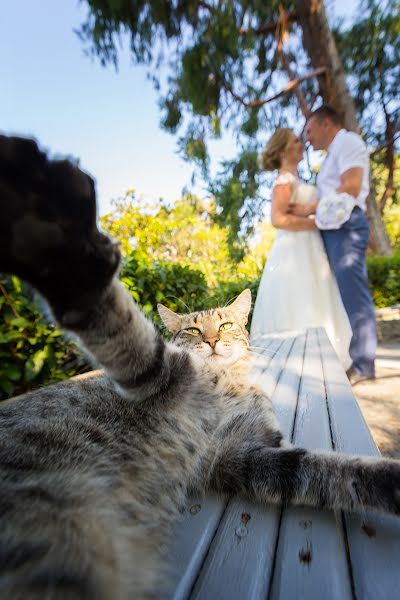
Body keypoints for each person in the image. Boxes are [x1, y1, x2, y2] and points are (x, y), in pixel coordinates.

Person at [250, 127, 352, 369]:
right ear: (284, 149)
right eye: (296, 140)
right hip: (294, 249)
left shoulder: (295, 180)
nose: (302, 143)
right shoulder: (284, 180)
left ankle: (322, 362)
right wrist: (317, 222)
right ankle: (299, 363)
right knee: (297, 297)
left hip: (311, 248)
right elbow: (278, 219)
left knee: (318, 298)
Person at [305, 105, 377, 385]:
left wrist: (308, 208)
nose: (308, 138)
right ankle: (357, 358)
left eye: (310, 131)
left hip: (346, 226)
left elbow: (352, 186)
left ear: (326, 124)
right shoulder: (332, 155)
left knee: (354, 294)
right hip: (335, 228)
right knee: (346, 294)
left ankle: (363, 363)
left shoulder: (347, 142)